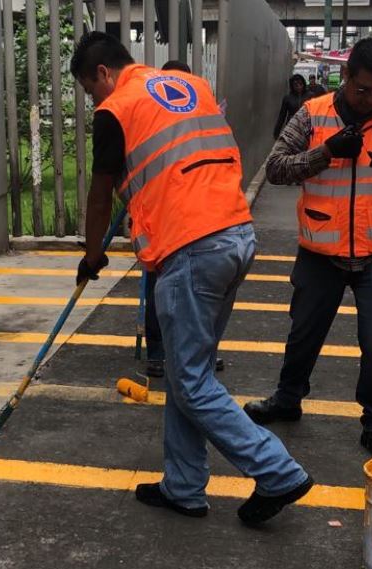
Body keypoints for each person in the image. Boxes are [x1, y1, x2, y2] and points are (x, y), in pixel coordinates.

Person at [70, 31, 312, 524]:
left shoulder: (115, 108)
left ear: (102, 73)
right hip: (234, 234)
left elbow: (98, 196)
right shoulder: (190, 87)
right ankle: (183, 486)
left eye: (89, 89)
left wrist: (93, 254)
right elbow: (180, 165)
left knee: (191, 381)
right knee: (190, 372)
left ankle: (277, 471)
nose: (93, 100)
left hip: (191, 250)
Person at [244, 38, 372, 458]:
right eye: (362, 89)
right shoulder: (312, 114)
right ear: (345, 76)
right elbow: (276, 168)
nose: (371, 99)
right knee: (303, 333)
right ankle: (287, 399)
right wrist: (325, 153)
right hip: (320, 249)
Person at [143, 59, 223, 378]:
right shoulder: (161, 118)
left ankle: (183, 353)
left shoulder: (204, 115)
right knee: (161, 287)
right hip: (167, 216)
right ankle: (160, 353)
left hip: (196, 215)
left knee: (193, 289)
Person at [273, 74, 307, 138]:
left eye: (300, 84)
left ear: (303, 84)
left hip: (306, 128)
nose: (299, 87)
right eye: (296, 85)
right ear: (292, 86)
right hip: (291, 128)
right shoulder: (288, 98)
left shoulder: (310, 96)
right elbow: (282, 116)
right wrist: (276, 132)